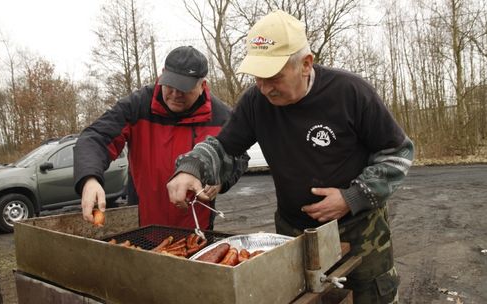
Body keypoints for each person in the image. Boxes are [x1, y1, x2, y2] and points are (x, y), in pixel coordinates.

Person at [167, 10, 414, 304]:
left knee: (373, 296)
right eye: (258, 76)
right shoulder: (256, 102)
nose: (264, 86)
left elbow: (397, 154)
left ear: (306, 64)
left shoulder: (350, 93)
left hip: (360, 233)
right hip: (293, 234)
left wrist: (352, 197)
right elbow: (223, 148)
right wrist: (191, 168)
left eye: (274, 76)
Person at [74, 46, 248, 230]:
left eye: (184, 88)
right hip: (143, 225)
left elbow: (240, 157)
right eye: (170, 85)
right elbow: (95, 137)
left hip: (198, 227)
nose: (175, 94)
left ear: (202, 84)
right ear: (163, 74)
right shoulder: (137, 106)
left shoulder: (222, 116)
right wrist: (90, 178)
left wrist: (221, 181)